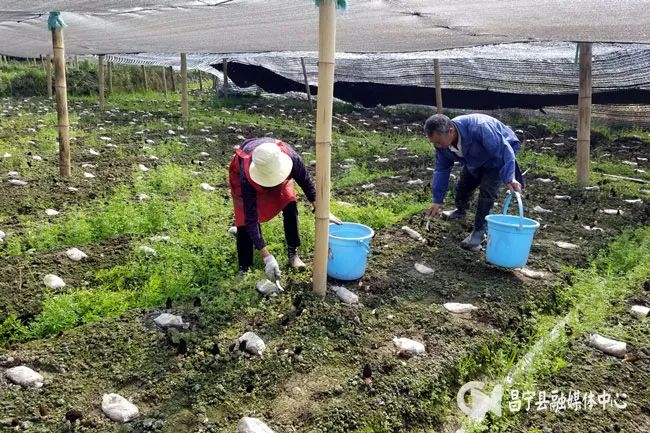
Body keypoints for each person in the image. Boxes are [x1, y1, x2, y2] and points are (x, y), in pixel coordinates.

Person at [228, 137, 340, 281]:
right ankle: (245, 267)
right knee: (244, 220)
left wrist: (321, 209)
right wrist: (267, 257)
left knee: (290, 203)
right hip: (248, 180)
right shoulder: (246, 173)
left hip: (278, 175)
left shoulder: (291, 158)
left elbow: (306, 183)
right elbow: (251, 218)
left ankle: (293, 253)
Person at [423, 113, 524, 250]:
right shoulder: (442, 145)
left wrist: (509, 177)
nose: (437, 146)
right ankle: (460, 210)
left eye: (438, 142)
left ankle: (479, 232)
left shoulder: (480, 128)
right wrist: (437, 199)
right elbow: (441, 169)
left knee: (487, 190)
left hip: (498, 154)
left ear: (451, 131)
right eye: (434, 142)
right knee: (464, 184)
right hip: (475, 156)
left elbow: (502, 150)